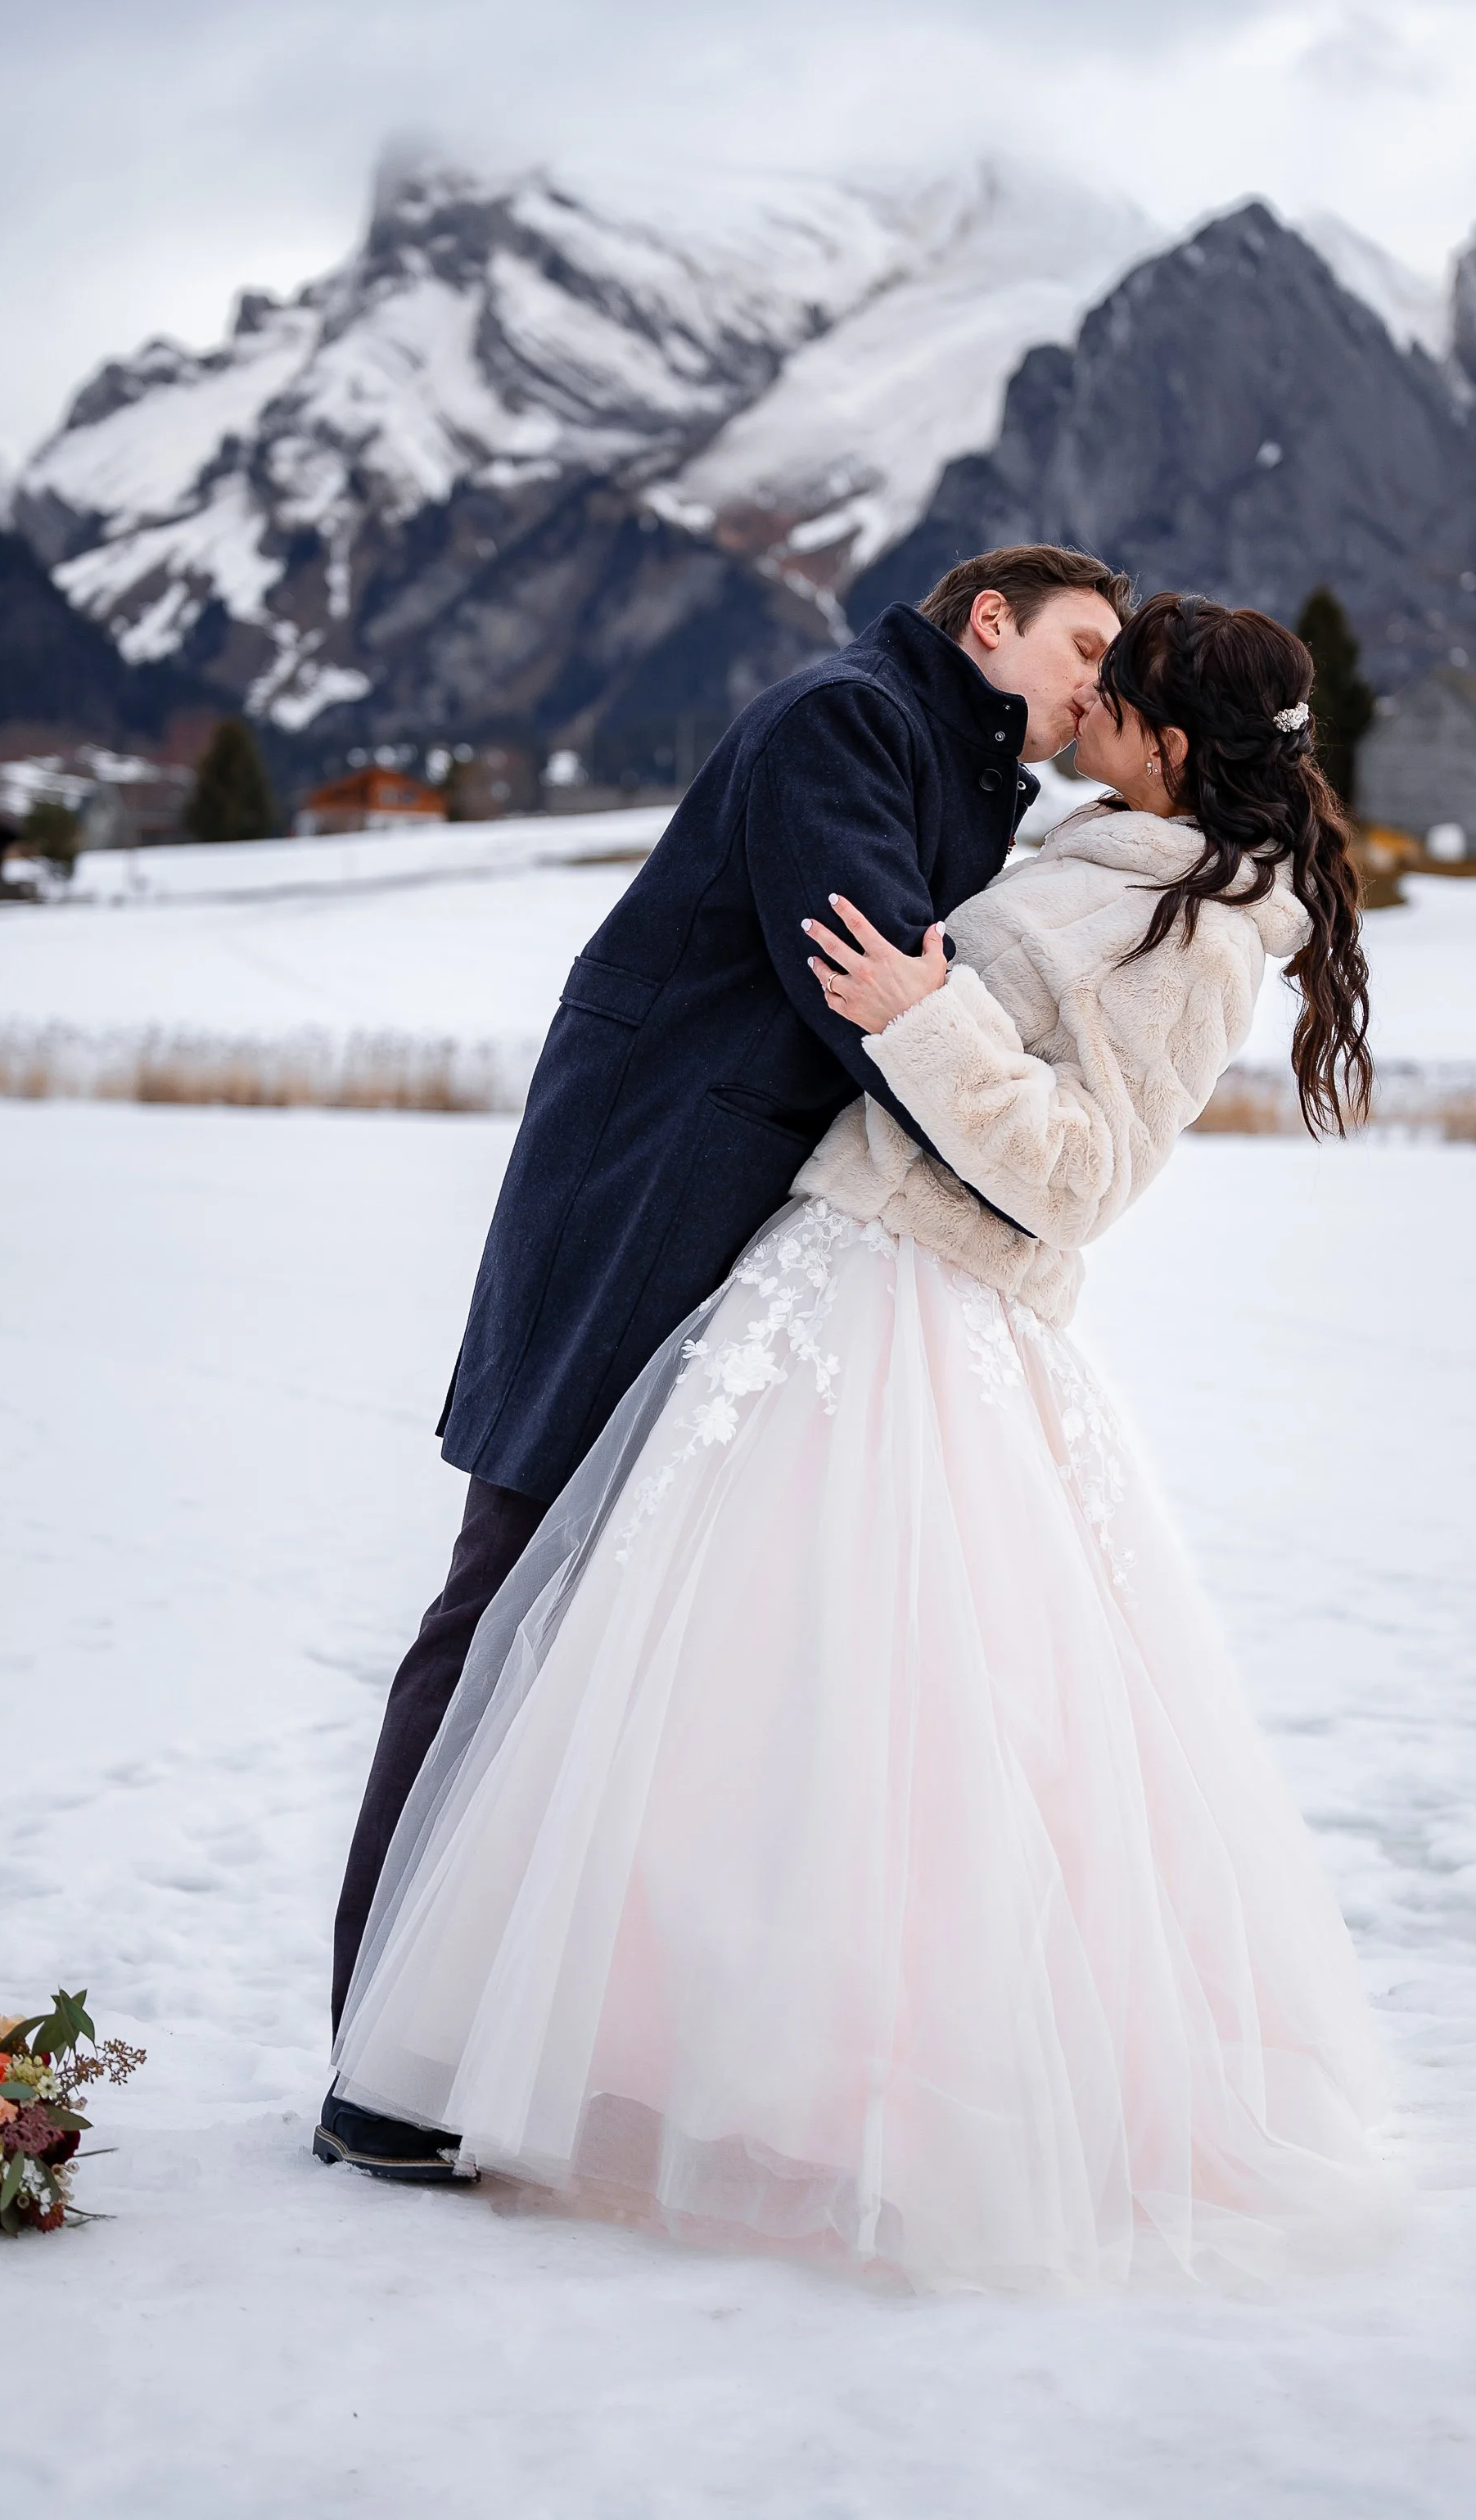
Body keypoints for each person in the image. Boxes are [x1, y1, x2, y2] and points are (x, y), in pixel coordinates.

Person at [325, 594, 1390, 2291]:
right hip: (828, 1275)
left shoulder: (1196, 931)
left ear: (1173, 746)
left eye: (1116, 685)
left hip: (922, 1310)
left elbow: (1083, 1176)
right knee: (710, 1704)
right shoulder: (1094, 848)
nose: (1090, 701)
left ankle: (839, 2095)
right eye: (1087, 659)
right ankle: (611, 2058)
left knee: (886, 1723)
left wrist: (922, 1013)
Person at [321, 544, 1132, 2177]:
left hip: (745, 1219)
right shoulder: (850, 721)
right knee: (512, 1584)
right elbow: (865, 979)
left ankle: (525, 2037)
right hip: (646, 1194)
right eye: (1083, 647)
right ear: (991, 621)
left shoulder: (957, 759)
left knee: (639, 1633)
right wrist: (1022, 1163)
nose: (1094, 687)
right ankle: (379, 2050)